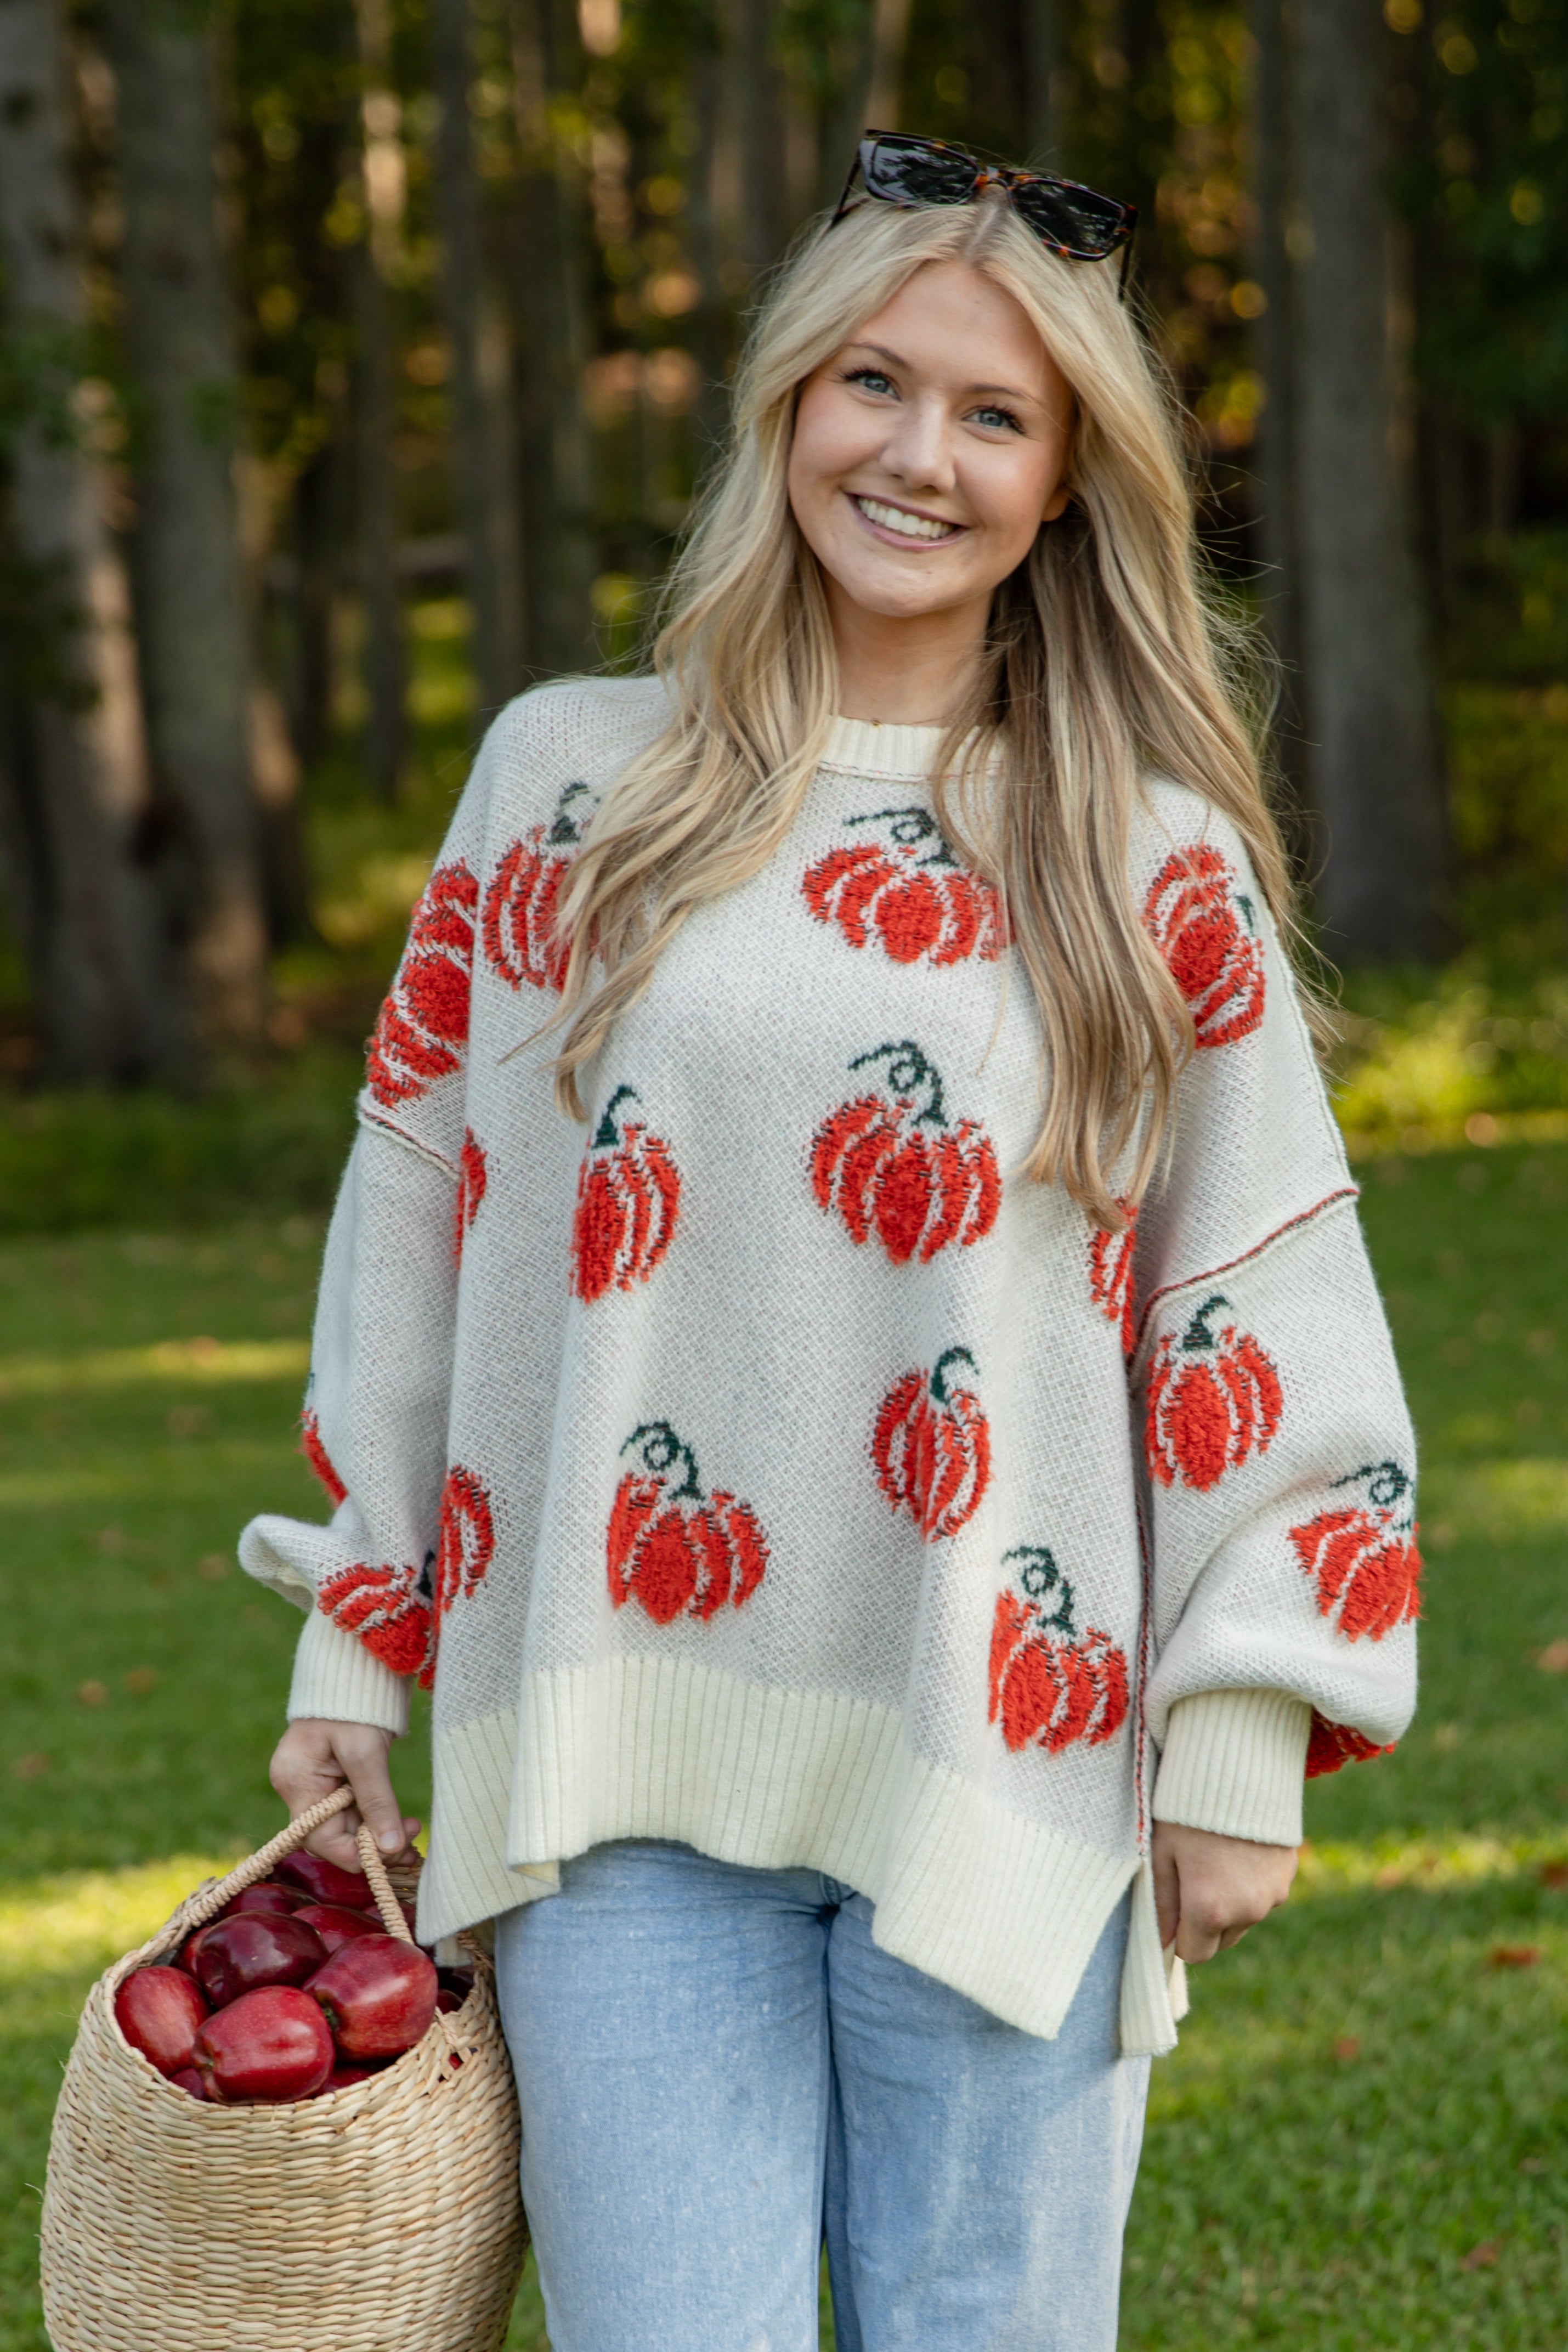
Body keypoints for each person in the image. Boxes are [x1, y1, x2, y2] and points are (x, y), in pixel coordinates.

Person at [250, 133, 1419, 2352]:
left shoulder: (1142, 858)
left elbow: (1252, 1291)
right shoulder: (567, 789)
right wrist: (352, 1641)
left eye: (995, 414)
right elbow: (423, 1211)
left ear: (1068, 481)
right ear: (787, 401)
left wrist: (1245, 1722)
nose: (918, 453)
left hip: (1009, 1752)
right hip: (606, 1768)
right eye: (874, 382)